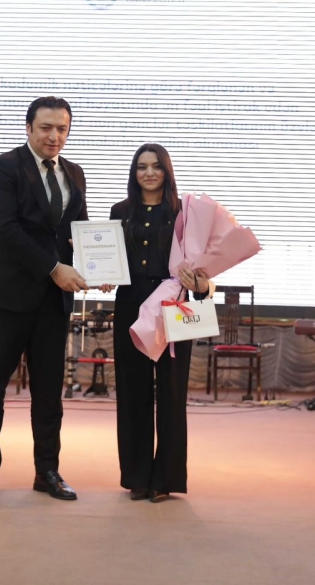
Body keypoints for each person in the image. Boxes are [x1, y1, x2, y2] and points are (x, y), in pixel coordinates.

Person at [0, 96, 90, 501]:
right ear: (29, 128)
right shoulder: (3, 167)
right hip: (5, 295)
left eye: (62, 129)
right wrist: (54, 268)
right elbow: (5, 229)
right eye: (46, 128)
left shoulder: (74, 172)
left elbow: (79, 231)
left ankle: (47, 471)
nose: (54, 136)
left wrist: (100, 268)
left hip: (52, 302)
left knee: (49, 392)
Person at [105, 143, 209, 503]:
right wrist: (102, 273)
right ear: (133, 173)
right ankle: (137, 476)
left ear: (167, 171)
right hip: (131, 306)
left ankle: (165, 478)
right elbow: (108, 259)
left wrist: (202, 285)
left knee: (171, 392)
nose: (148, 173)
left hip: (175, 305)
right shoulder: (120, 211)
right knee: (132, 391)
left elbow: (205, 268)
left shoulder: (185, 213)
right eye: (141, 167)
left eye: (156, 166)